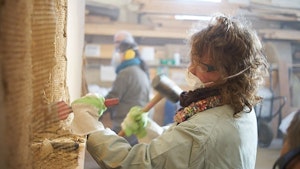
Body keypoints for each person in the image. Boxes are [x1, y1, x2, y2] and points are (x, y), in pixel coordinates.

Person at [69, 13, 268, 169]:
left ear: (232, 74)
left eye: (204, 66)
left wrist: (91, 128)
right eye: (193, 60)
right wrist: (147, 129)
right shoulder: (239, 107)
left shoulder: (203, 131)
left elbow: (133, 163)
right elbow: (183, 153)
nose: (191, 70)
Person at [103, 35, 151, 145]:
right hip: (135, 125)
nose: (116, 55)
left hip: (125, 125)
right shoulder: (141, 72)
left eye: (119, 52)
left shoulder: (126, 73)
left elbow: (113, 98)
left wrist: (96, 108)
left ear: (128, 55)